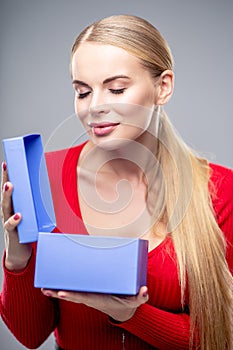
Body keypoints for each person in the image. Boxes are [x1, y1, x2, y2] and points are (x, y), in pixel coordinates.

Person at [1, 14, 233, 350]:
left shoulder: (220, 192)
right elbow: (29, 335)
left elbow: (220, 336)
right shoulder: (45, 180)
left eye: (117, 89)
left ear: (163, 87)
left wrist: (129, 314)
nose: (94, 107)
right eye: (82, 92)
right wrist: (18, 257)